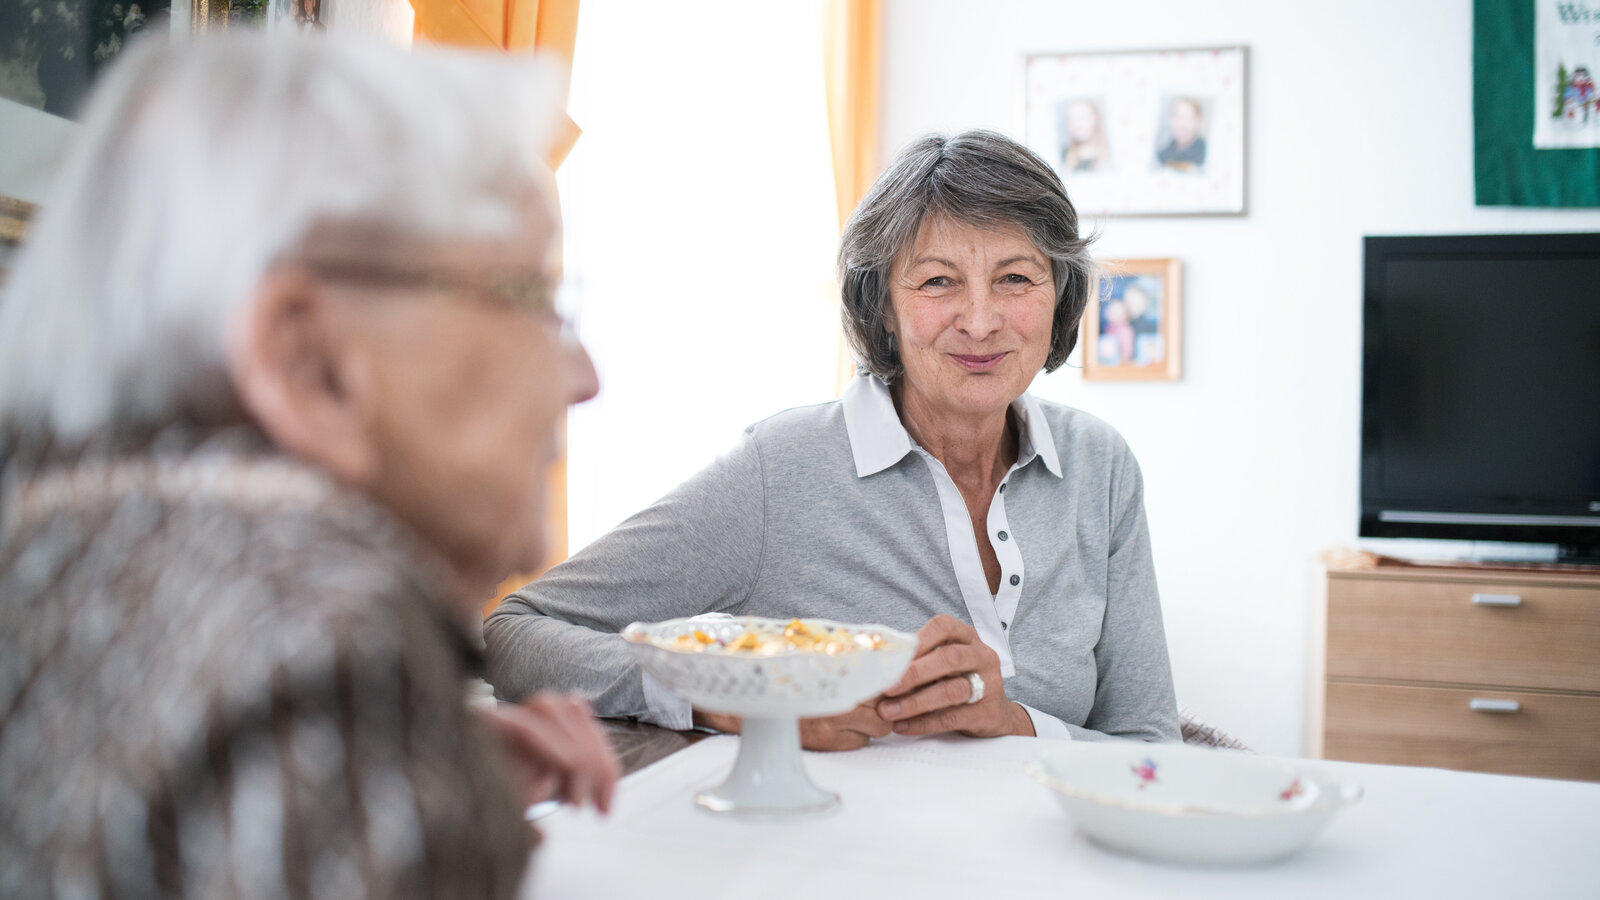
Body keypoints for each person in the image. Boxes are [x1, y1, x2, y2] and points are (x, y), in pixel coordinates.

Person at [0, 33, 618, 898]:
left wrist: (424, 776)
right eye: (532, 298)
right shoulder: (326, 668)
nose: (584, 377)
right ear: (308, 365)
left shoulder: (53, 562)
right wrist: (372, 764)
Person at [485, 129, 1179, 750]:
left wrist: (1013, 721)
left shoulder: (1101, 465)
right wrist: (731, 702)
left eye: (1016, 278)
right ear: (882, 307)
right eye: (939, 281)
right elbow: (516, 633)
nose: (980, 318)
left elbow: (1151, 746)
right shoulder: (782, 468)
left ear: (1060, 295)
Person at [1157, 97, 1207, 171]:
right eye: (1177, 116)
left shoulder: (1206, 153)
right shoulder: (1163, 154)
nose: (1181, 123)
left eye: (1187, 117)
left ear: (1197, 120)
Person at [1060, 98, 1110, 173]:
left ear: (1095, 119)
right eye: (1072, 119)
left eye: (1082, 117)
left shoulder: (1109, 154)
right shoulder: (1064, 157)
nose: (1077, 125)